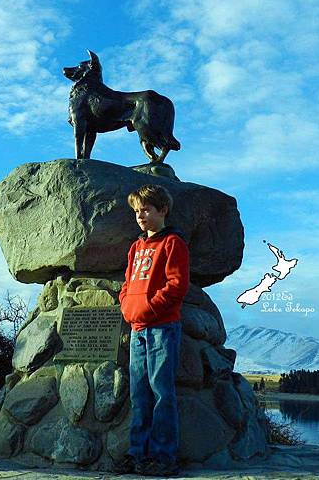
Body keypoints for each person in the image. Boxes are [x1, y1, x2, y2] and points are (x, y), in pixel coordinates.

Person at [117, 184, 190, 476]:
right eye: (137, 211)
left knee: (162, 393)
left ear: (163, 210)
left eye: (146, 209)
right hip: (137, 330)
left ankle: (162, 456)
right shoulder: (136, 247)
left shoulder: (173, 243)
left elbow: (176, 286)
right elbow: (127, 284)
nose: (140, 215)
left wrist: (148, 309)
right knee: (139, 394)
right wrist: (127, 307)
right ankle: (137, 453)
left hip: (162, 329)